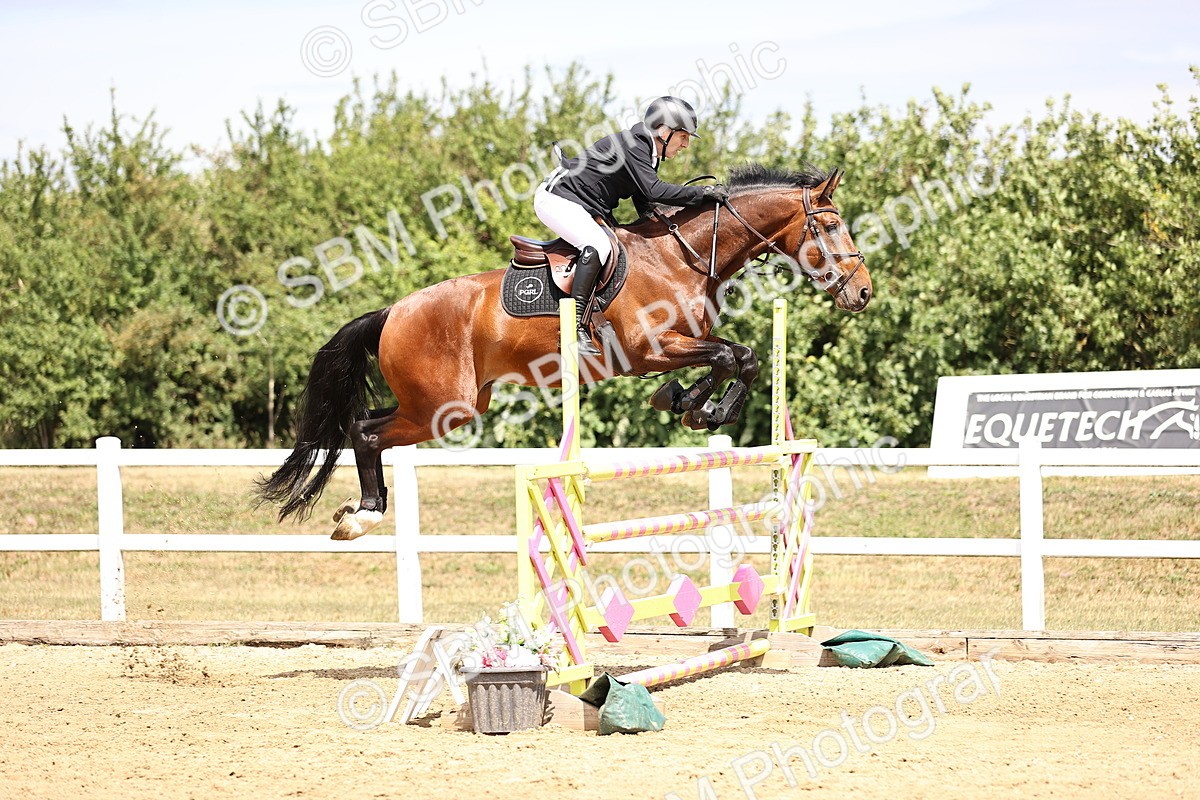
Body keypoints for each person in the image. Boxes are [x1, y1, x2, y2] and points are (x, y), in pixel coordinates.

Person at [534, 96, 729, 356]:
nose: (686, 144)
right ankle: (574, 328)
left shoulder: (648, 153)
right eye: (684, 137)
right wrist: (701, 193)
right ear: (664, 131)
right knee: (598, 246)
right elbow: (654, 189)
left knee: (621, 246)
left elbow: (645, 204)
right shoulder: (635, 145)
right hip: (557, 199)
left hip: (584, 204)